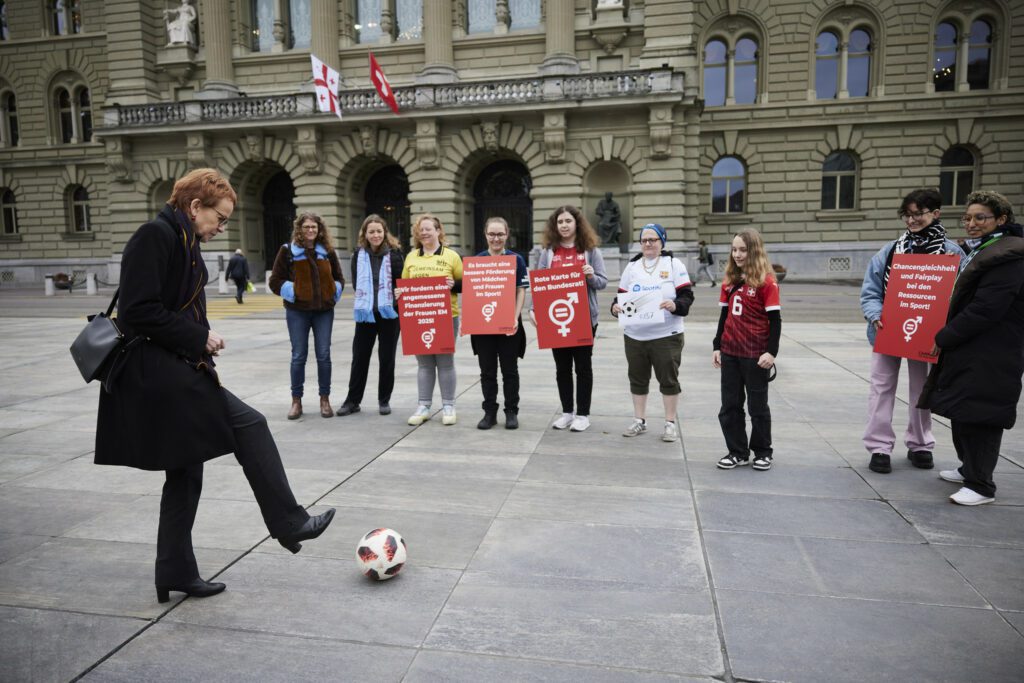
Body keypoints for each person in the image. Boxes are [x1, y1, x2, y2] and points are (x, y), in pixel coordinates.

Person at [93, 168, 335, 603]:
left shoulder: (180, 238)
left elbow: (169, 306)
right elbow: (136, 311)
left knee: (185, 472)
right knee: (250, 424)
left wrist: (200, 336)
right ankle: (289, 521)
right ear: (194, 207)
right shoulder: (155, 236)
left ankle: (174, 571)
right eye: (218, 219)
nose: (220, 228)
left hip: (173, 368)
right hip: (157, 374)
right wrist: (197, 336)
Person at [919, 191, 1024, 505]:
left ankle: (981, 485)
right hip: (972, 347)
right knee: (964, 409)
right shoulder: (987, 250)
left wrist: (944, 336)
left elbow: (986, 309)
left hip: (992, 350)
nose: (972, 224)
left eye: (981, 218)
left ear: (1001, 220)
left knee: (982, 414)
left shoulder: (1010, 256)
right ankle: (969, 468)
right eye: (968, 218)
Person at [860, 189, 964, 474]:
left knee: (922, 389)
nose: (911, 220)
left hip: (928, 336)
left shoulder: (952, 253)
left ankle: (920, 443)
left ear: (936, 213)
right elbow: (870, 291)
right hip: (888, 330)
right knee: (881, 388)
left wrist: (946, 323)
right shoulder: (891, 250)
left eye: (918, 213)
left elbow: (962, 295)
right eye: (907, 214)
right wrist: (875, 315)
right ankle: (879, 447)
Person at [611, 223, 694, 442]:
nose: (648, 244)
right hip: (635, 336)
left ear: (662, 242)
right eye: (644, 240)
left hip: (667, 334)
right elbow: (619, 297)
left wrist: (676, 305)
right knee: (637, 379)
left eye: (653, 240)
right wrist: (615, 308)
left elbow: (686, 296)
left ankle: (669, 423)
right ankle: (639, 420)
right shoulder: (632, 267)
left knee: (668, 379)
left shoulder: (674, 264)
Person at [530, 205, 608, 432]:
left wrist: (591, 275)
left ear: (577, 224)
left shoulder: (590, 250)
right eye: (560, 222)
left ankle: (583, 414)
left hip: (584, 319)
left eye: (568, 221)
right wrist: (533, 310)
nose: (564, 225)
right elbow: (540, 285)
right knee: (562, 368)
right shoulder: (548, 252)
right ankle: (567, 412)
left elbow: (602, 282)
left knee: (583, 367)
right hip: (556, 318)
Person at [713, 228, 781, 471]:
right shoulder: (730, 280)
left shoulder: (767, 282)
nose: (738, 254)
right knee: (730, 405)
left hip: (755, 354)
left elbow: (775, 321)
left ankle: (763, 451)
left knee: (757, 406)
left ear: (754, 251)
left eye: (743, 249)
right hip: (730, 352)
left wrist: (771, 352)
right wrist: (717, 346)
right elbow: (724, 315)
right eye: (734, 249)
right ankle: (737, 451)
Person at [269, 212, 345, 420]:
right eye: (307, 227)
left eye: (314, 227)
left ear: (319, 230)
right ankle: (296, 401)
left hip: (324, 312)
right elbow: (275, 281)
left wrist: (333, 292)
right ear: (299, 229)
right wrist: (295, 292)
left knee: (324, 355)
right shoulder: (288, 251)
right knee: (298, 356)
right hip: (297, 312)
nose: (311, 230)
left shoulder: (327, 251)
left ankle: (324, 399)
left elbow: (339, 278)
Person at [336, 214, 404, 417]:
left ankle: (384, 400)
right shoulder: (359, 255)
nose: (375, 235)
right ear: (365, 234)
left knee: (387, 358)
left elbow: (400, 283)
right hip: (366, 314)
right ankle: (352, 401)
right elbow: (357, 284)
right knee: (360, 358)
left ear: (385, 233)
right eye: (371, 231)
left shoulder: (395, 254)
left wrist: (395, 295)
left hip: (389, 314)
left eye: (379, 231)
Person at [402, 213, 463, 426]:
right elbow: (405, 285)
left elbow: (465, 284)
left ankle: (448, 405)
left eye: (428, 228)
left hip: (446, 316)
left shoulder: (451, 256)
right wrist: (400, 295)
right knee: (424, 364)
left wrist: (453, 285)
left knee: (445, 363)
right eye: (421, 230)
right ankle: (424, 406)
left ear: (438, 231)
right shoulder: (411, 257)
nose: (424, 232)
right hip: (418, 317)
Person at [470, 217, 528, 430]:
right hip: (484, 326)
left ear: (507, 235)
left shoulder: (516, 260)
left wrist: (515, 316)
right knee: (487, 371)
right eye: (492, 234)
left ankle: (511, 411)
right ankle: (489, 412)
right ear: (485, 235)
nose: (496, 238)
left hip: (509, 324)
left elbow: (521, 290)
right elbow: (474, 295)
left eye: (500, 234)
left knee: (510, 371)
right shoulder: (477, 260)